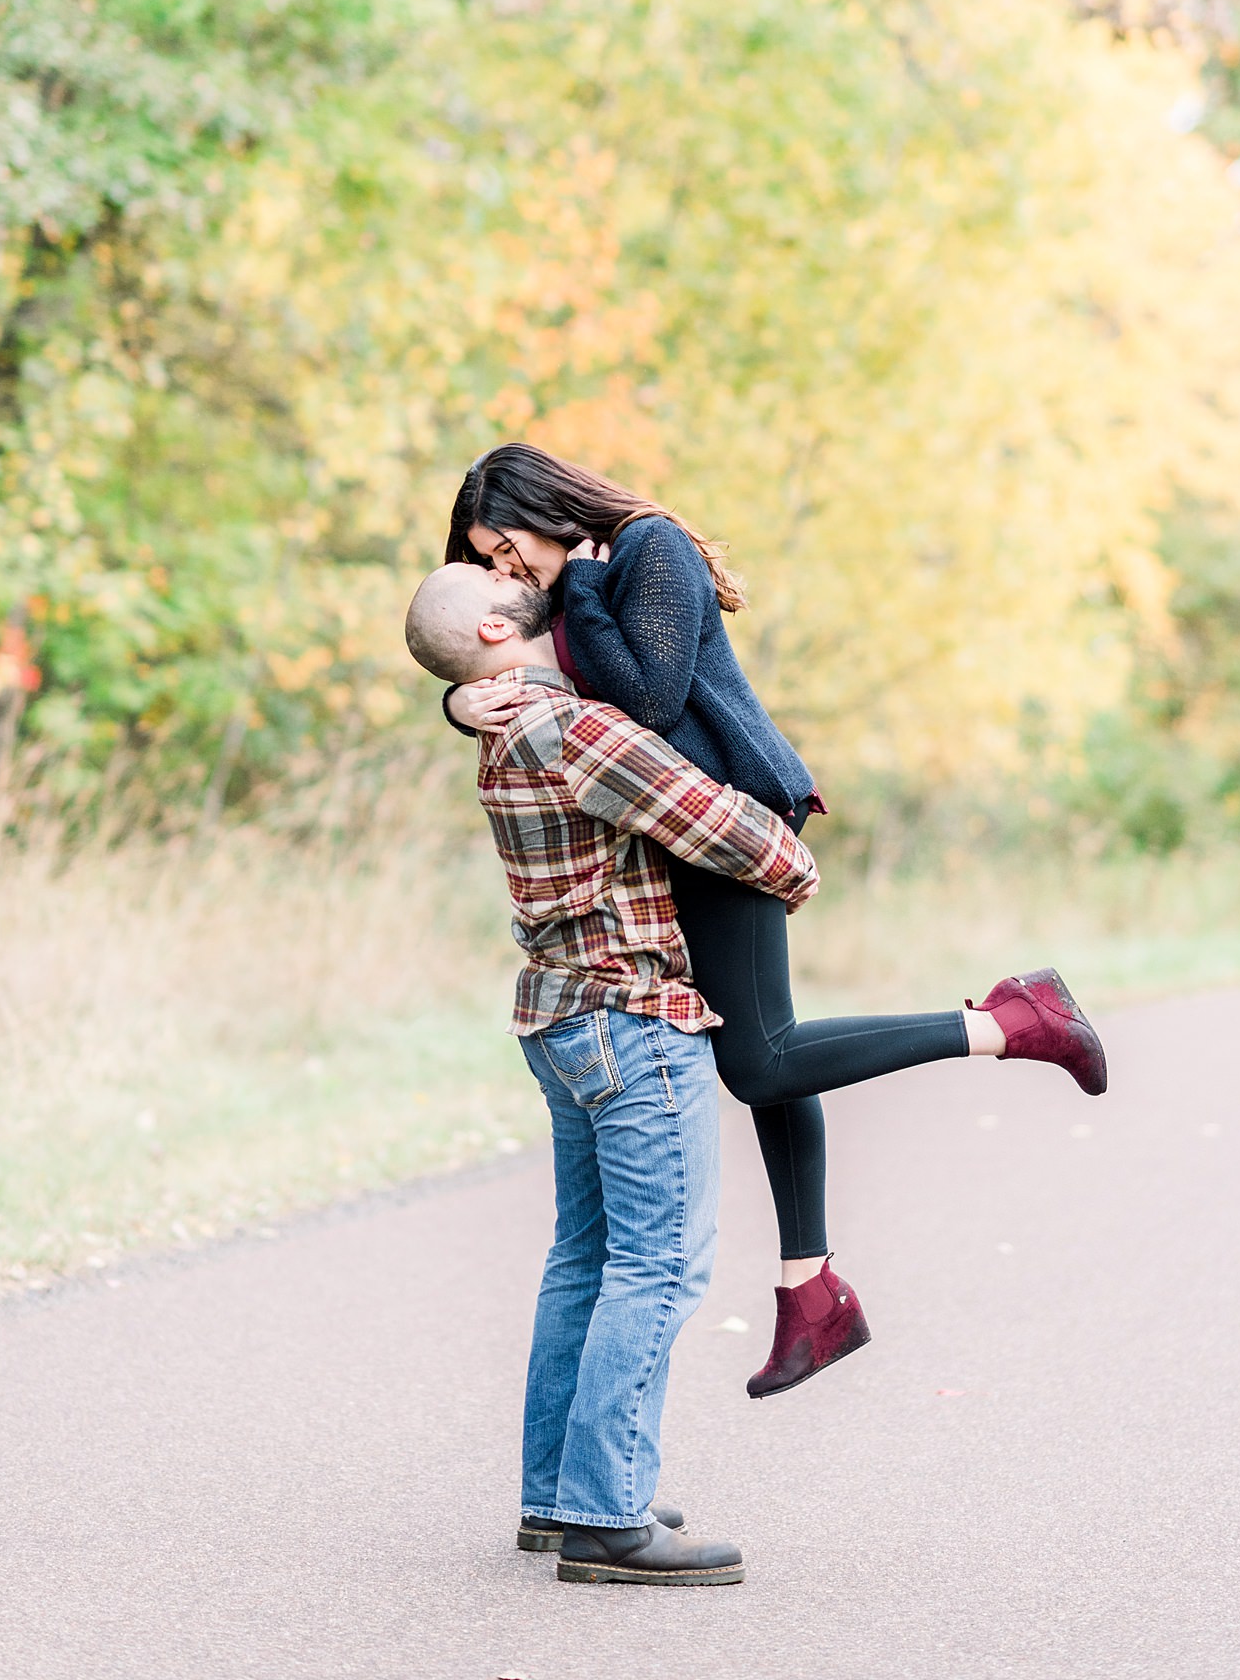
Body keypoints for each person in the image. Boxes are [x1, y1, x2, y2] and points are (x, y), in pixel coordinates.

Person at [442, 442, 1108, 1398]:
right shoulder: (568, 579)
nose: (507, 573)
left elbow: (645, 702)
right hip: (680, 817)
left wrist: (582, 590)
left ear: (545, 510)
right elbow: (504, 658)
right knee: (770, 1047)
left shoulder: (647, 549)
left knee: (759, 1058)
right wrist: (463, 701)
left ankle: (1010, 1022)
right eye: (492, 565)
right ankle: (811, 1288)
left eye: (506, 549)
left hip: (736, 809)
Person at [403, 556, 826, 1586]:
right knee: (659, 1264)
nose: (517, 573)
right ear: (497, 637)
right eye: (499, 579)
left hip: (561, 1016)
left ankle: (559, 1495)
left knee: (586, 1260)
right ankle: (606, 1517)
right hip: (634, 1016)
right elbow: (746, 842)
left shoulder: (504, 726)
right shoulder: (581, 731)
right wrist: (792, 858)